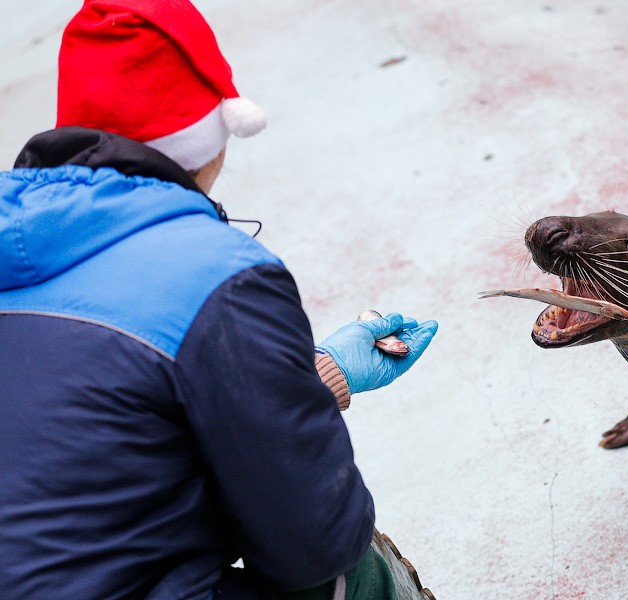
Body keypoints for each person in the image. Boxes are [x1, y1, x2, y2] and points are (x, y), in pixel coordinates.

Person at [0, 1, 438, 598]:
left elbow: (78, 444)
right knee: (353, 571)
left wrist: (316, 378)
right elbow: (311, 542)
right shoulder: (216, 276)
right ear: (214, 132)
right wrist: (287, 399)